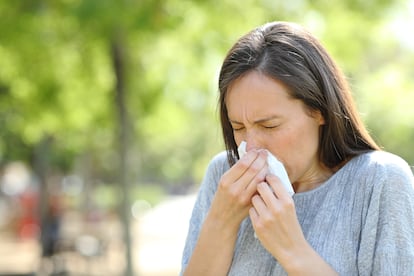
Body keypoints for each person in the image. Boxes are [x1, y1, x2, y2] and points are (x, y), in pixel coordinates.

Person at [180, 21, 414, 275]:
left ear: (319, 110)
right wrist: (222, 222)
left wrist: (292, 250)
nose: (252, 146)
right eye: (238, 127)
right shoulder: (223, 177)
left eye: (269, 126)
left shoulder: (379, 181)